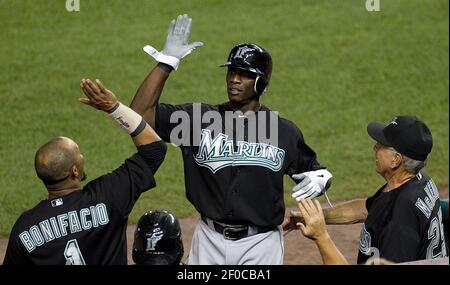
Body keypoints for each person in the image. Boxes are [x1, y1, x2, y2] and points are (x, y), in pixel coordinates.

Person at [130, 14, 332, 265]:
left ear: (261, 83)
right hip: (209, 240)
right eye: (232, 72)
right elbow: (138, 115)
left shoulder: (283, 132)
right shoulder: (196, 121)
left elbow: (314, 172)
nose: (234, 79)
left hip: (261, 245)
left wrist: (322, 179)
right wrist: (166, 63)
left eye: (245, 74)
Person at [3, 79, 167, 265]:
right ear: (74, 171)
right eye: (79, 154)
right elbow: (155, 150)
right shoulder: (109, 195)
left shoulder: (24, 228)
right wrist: (114, 108)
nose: (83, 157)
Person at [285, 115, 448, 264]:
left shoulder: (399, 221)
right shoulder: (419, 181)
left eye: (381, 145)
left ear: (396, 160)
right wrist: (319, 217)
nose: (375, 148)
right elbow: (367, 209)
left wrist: (321, 236)